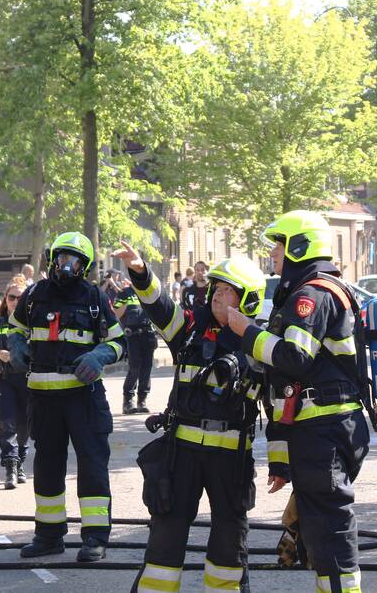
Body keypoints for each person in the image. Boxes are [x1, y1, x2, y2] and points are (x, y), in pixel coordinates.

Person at [112, 241, 287, 593]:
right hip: (181, 457)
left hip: (231, 461)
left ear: (248, 300)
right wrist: (140, 270)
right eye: (216, 289)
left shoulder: (260, 344)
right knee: (165, 538)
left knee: (228, 541)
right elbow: (160, 308)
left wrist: (281, 464)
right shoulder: (190, 331)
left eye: (226, 291)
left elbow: (278, 408)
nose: (217, 296)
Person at [226, 210, 369, 593]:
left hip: (325, 429)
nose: (273, 253)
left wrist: (247, 331)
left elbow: (294, 358)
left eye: (279, 244)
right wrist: (282, 460)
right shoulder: (314, 290)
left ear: (299, 246)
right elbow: (284, 385)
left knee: (328, 529)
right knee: (317, 530)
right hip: (323, 429)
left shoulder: (312, 295)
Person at [8, 232, 126, 563]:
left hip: (83, 399)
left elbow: (118, 342)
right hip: (43, 400)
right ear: (52, 258)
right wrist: (16, 346)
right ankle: (48, 536)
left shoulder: (94, 298)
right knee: (46, 467)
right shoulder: (33, 296)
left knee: (92, 465)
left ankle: (95, 538)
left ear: (84, 266)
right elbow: (14, 328)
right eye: (61, 258)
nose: (66, 265)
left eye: (73, 260)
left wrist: (98, 356)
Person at [0, 280, 31, 489]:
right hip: (2, 380)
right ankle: (10, 467)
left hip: (27, 379)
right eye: (12, 297)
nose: (16, 301)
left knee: (24, 424)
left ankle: (20, 462)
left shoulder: (32, 321)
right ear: (5, 299)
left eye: (21, 298)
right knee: (6, 422)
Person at [113, 276, 157, 415]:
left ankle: (142, 400)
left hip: (148, 334)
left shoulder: (149, 293)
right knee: (135, 367)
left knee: (147, 367)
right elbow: (116, 313)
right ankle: (128, 402)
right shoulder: (124, 293)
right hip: (132, 335)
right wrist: (129, 305)